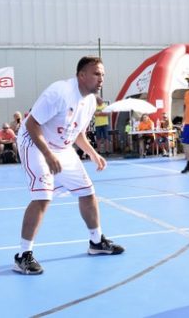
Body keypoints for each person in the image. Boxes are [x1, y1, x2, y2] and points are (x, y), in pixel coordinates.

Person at [13, 56, 124, 275]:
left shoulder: (90, 101)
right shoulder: (60, 92)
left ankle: (96, 242)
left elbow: (77, 132)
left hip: (61, 148)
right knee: (42, 197)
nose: (101, 78)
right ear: (81, 75)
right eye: (96, 74)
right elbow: (32, 124)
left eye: (103, 74)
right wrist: (48, 155)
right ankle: (22, 255)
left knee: (88, 192)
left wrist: (92, 153)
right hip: (34, 142)